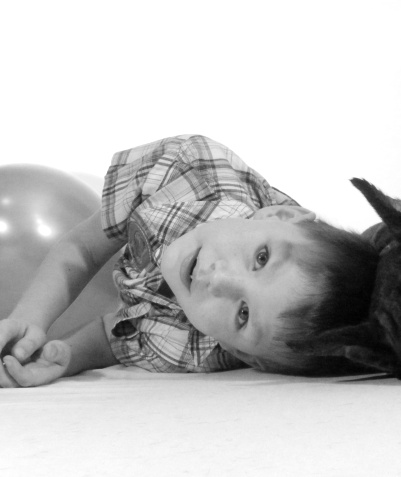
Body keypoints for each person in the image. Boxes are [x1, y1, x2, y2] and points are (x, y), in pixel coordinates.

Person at [0, 135, 378, 387]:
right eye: (261, 258)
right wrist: (30, 317)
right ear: (280, 215)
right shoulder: (187, 176)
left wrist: (64, 358)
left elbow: (116, 338)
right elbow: (81, 250)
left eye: (243, 314)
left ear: (242, 354)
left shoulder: (199, 348)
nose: (220, 280)